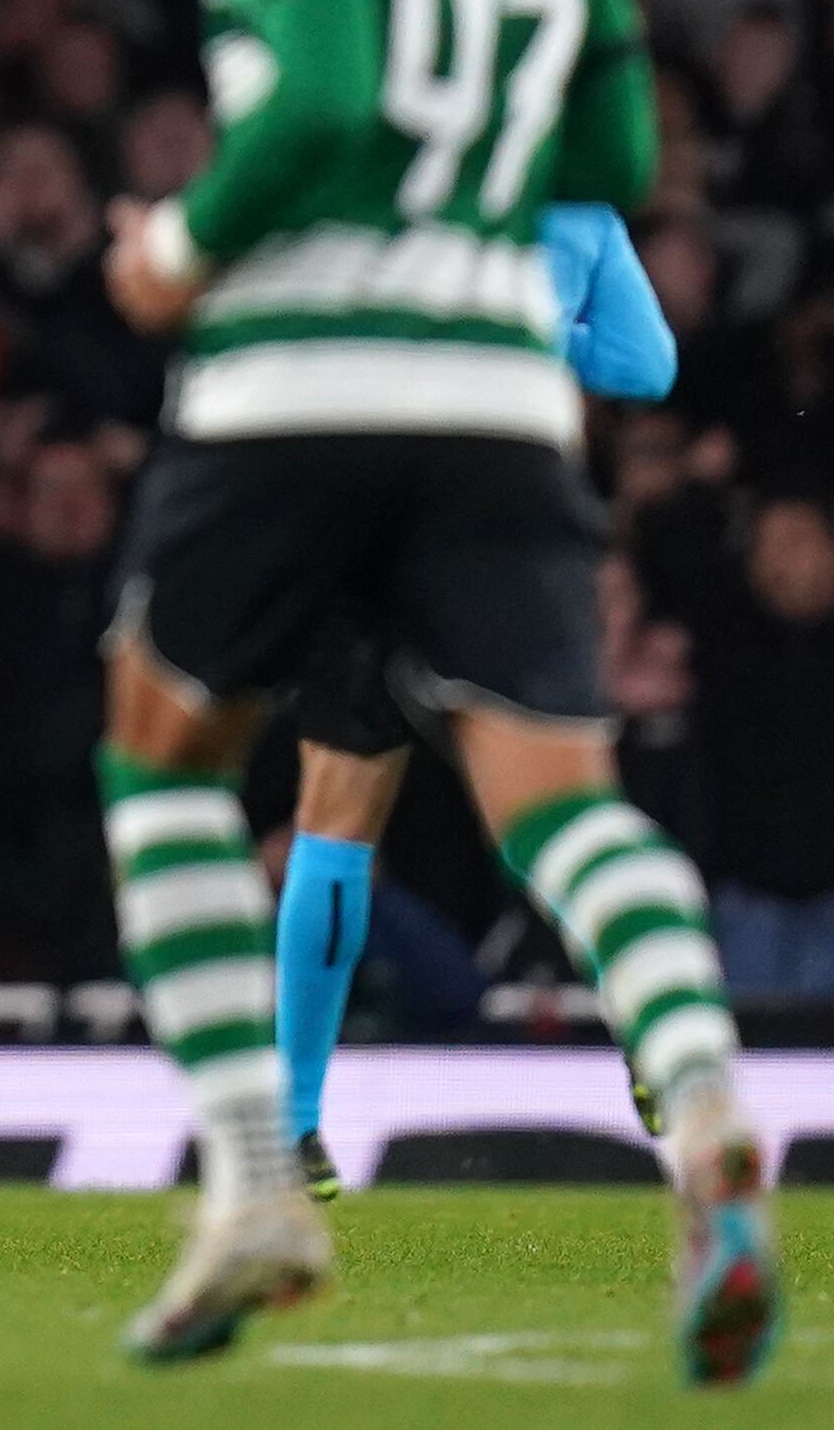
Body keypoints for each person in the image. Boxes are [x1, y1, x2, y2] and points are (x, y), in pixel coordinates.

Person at [96, 0, 778, 1381]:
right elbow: (620, 145)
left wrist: (170, 244)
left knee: (157, 754)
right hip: (491, 398)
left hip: (296, 387)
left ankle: (251, 1174)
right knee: (559, 792)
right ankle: (704, 1105)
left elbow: (312, 98)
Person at [278, 199, 682, 1200]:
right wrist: (538, 337)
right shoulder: (579, 209)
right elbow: (647, 368)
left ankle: (289, 1124)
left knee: (333, 822)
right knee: (554, 813)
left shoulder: (395, 173)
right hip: (503, 538)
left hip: (368, 534)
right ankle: (652, 1025)